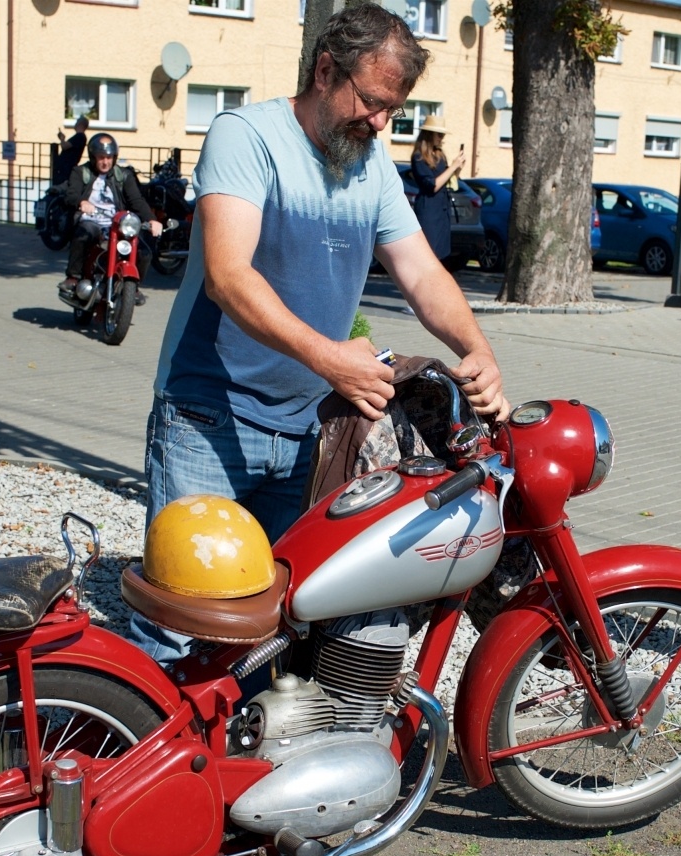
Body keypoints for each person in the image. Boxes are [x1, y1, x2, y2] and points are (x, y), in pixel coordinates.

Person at [131, 4, 507, 660]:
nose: (381, 121)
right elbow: (227, 274)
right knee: (182, 623)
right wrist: (333, 360)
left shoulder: (373, 170)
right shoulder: (246, 136)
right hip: (207, 417)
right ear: (325, 70)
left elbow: (422, 273)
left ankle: (230, 763)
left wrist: (476, 349)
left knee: (270, 630)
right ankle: (132, 750)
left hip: (307, 431)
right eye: (371, 100)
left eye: (394, 109)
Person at [59, 133, 161, 295]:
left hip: (118, 223)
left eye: (109, 157)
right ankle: (73, 277)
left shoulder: (124, 175)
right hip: (91, 220)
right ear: (93, 157)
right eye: (101, 157)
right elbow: (71, 195)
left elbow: (136, 200)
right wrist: (81, 202)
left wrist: (151, 220)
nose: (105, 162)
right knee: (82, 235)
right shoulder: (80, 172)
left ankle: (132, 286)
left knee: (144, 251)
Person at [406, 120, 464, 262]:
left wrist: (457, 169)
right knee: (428, 253)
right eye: (439, 135)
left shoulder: (439, 155)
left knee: (441, 254)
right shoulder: (419, 157)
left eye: (442, 135)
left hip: (442, 209)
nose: (441, 138)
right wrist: (452, 167)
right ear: (429, 134)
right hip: (428, 210)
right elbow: (432, 185)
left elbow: (447, 181)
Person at [52, 116, 90, 186]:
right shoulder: (80, 137)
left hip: (66, 168)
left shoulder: (80, 136)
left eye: (77, 122)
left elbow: (65, 146)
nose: (75, 124)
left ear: (80, 124)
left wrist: (62, 139)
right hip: (66, 167)